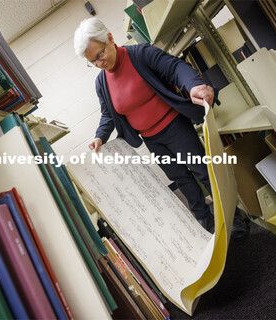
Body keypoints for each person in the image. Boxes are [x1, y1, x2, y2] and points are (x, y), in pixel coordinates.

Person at [73, 17, 249, 240]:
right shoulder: (101, 83)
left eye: (100, 55)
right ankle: (204, 217)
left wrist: (194, 85)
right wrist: (100, 137)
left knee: (202, 171)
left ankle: (234, 215)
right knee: (181, 179)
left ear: (109, 38)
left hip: (175, 126)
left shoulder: (140, 54)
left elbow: (175, 68)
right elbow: (108, 114)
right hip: (152, 139)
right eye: (93, 62)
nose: (99, 63)